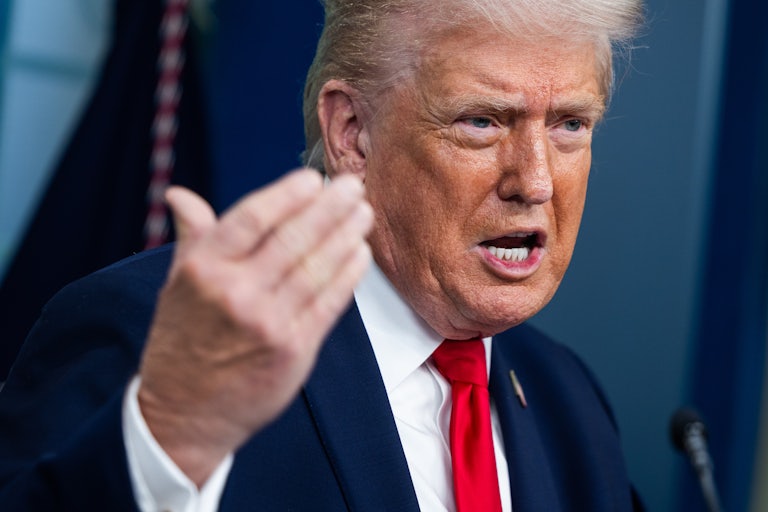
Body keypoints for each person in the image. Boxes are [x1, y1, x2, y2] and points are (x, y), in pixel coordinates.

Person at [0, 0, 645, 510]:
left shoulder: (571, 406)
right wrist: (169, 440)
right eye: (481, 121)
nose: (534, 181)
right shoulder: (159, 338)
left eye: (570, 125)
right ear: (352, 135)